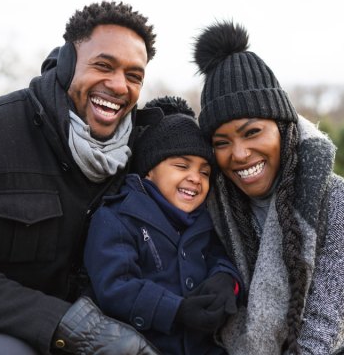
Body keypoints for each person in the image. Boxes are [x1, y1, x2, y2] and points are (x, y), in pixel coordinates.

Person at [0, 1, 163, 355]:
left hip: (97, 337)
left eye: (134, 76)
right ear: (68, 61)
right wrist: (75, 327)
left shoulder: (140, 152)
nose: (119, 85)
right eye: (103, 65)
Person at [192, 21, 344, 355]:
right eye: (222, 142)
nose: (239, 154)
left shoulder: (339, 200)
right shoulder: (214, 204)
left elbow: (324, 329)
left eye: (252, 132)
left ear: (283, 129)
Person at [84, 96, 242, 355]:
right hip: (140, 347)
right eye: (181, 166)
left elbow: (221, 257)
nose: (195, 178)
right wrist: (176, 310)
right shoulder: (117, 218)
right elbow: (115, 287)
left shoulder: (205, 219)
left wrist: (226, 280)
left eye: (205, 172)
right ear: (149, 171)